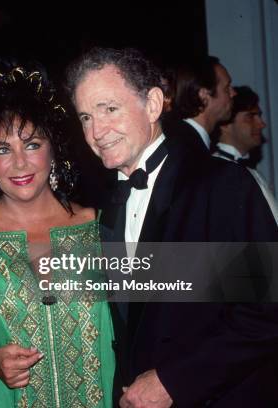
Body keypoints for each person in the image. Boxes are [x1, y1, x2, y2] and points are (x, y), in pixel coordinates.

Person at [66, 47, 278, 408]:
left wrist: (175, 381)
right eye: (86, 117)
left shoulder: (221, 185)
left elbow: (266, 312)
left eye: (109, 109)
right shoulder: (103, 204)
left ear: (152, 104)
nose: (96, 131)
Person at [0, 60, 115, 408]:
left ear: (53, 149)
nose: (20, 163)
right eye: (2, 149)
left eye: (31, 144)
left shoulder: (101, 228)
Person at [213, 85, 278, 222]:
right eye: (250, 117)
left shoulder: (252, 171)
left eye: (259, 116)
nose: (262, 124)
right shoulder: (215, 173)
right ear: (225, 124)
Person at [163, 56, 236, 157]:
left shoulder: (184, 139)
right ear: (203, 95)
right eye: (227, 88)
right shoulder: (185, 149)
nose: (233, 93)